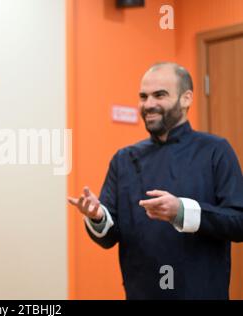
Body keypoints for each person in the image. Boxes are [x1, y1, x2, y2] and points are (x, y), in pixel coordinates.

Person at [68, 62, 243, 299]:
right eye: (143, 96)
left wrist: (182, 211)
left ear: (186, 98)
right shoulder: (124, 159)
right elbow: (110, 237)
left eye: (159, 95)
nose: (148, 104)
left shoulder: (216, 151)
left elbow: (238, 222)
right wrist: (97, 218)